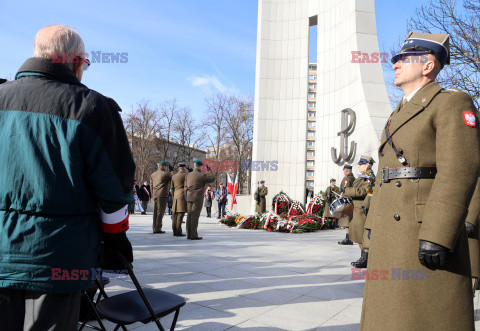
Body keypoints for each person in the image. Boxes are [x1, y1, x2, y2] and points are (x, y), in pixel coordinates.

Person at [0, 25, 135, 329]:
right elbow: (115, 191)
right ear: (75, 61)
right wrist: (115, 242)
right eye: (85, 64)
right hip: (59, 258)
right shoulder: (93, 106)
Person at [360, 32, 480, 330]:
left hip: (421, 228)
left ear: (427, 65)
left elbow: (459, 169)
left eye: (404, 58)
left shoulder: (451, 102)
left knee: (421, 315)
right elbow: (384, 177)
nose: (395, 62)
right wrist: (370, 229)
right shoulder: (396, 112)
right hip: (392, 230)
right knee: (387, 314)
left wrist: (438, 233)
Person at [343, 156, 374, 268]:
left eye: (361, 164)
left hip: (361, 209)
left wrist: (347, 190)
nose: (359, 166)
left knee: (362, 235)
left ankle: (365, 258)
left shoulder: (368, 177)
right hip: (357, 208)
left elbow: (363, 192)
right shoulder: (362, 177)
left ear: (368, 165)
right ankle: (363, 257)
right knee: (359, 234)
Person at [185, 160, 215, 240]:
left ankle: (188, 234)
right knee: (195, 216)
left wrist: (186, 196)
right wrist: (210, 171)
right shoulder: (201, 175)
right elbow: (212, 179)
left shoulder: (188, 175)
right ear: (199, 166)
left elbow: (185, 187)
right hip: (197, 197)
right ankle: (193, 235)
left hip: (189, 197)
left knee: (189, 215)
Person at [150, 161, 172, 234]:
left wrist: (153, 193)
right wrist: (171, 171)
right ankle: (158, 228)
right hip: (162, 195)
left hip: (155, 194)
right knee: (160, 211)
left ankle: (154, 228)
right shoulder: (166, 174)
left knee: (155, 212)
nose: (166, 168)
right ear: (163, 166)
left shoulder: (153, 174)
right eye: (166, 167)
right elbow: (173, 179)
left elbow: (151, 186)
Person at [337, 165, 355, 245]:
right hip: (347, 201)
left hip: (347, 201)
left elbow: (346, 189)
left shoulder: (348, 178)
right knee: (347, 221)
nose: (344, 172)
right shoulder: (349, 178)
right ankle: (348, 238)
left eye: (344, 170)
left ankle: (349, 238)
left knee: (347, 221)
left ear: (347, 170)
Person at [171, 162, 188, 237]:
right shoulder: (186, 175)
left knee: (175, 214)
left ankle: (174, 230)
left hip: (175, 195)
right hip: (182, 195)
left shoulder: (174, 176)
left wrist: (173, 195)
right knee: (181, 214)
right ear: (184, 168)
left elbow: (172, 188)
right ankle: (178, 231)